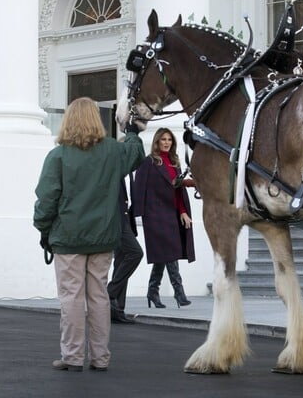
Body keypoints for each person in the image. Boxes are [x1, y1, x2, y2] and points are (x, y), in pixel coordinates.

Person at [33, 97, 144, 372]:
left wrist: (43, 229)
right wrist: (131, 130)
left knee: (71, 297)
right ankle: (100, 357)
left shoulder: (58, 156)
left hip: (68, 237)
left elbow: (47, 199)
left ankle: (72, 356)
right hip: (103, 237)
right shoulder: (112, 152)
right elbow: (135, 153)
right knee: (99, 297)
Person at [132, 127, 196, 309]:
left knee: (164, 254)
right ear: (157, 142)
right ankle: (179, 293)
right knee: (170, 252)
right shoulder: (149, 162)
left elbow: (178, 190)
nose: (166, 142)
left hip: (172, 213)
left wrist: (183, 211)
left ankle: (153, 291)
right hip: (155, 216)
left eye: (169, 139)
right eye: (163, 139)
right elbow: (139, 187)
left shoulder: (174, 162)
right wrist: (140, 215)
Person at [107, 175, 144, 324]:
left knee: (122, 260)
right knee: (136, 253)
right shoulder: (114, 166)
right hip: (116, 220)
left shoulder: (131, 172)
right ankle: (110, 292)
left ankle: (117, 311)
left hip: (126, 219)